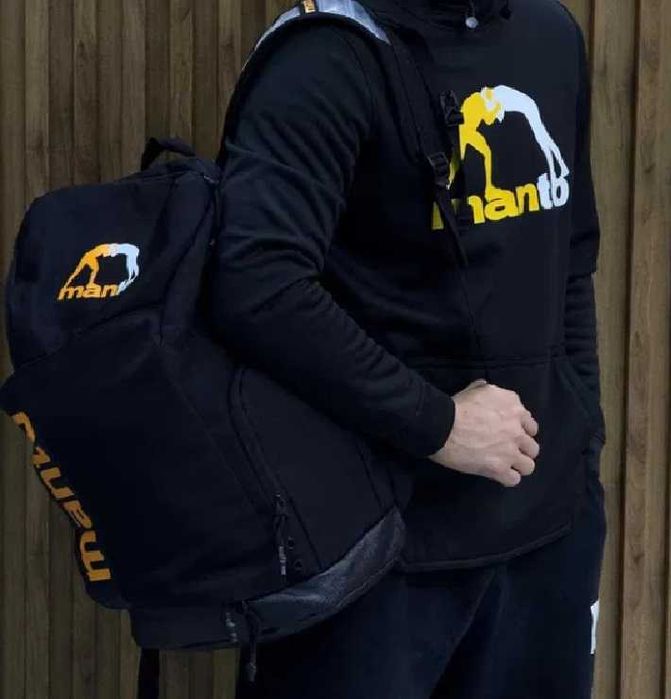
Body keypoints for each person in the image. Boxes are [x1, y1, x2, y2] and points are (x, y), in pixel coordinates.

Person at [212, 0, 608, 696]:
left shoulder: (549, 35)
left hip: (545, 535)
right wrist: (438, 423)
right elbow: (257, 283)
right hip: (373, 557)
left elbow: (571, 259)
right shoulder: (325, 56)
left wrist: (581, 437)